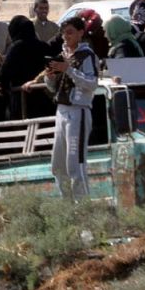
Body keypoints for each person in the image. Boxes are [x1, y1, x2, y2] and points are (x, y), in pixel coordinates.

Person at [47, 12, 100, 200]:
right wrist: (50, 77)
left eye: (70, 32)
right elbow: (52, 88)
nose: (66, 36)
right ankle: (67, 205)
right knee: (58, 165)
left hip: (78, 111)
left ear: (80, 33)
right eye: (64, 33)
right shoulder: (62, 55)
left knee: (75, 163)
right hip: (61, 111)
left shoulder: (87, 56)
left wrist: (69, 70)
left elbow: (91, 83)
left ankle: (83, 207)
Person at [0, 15, 49, 120]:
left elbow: (4, 72)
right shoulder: (42, 46)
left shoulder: (16, 47)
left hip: (21, 97)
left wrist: (4, 89)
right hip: (42, 96)